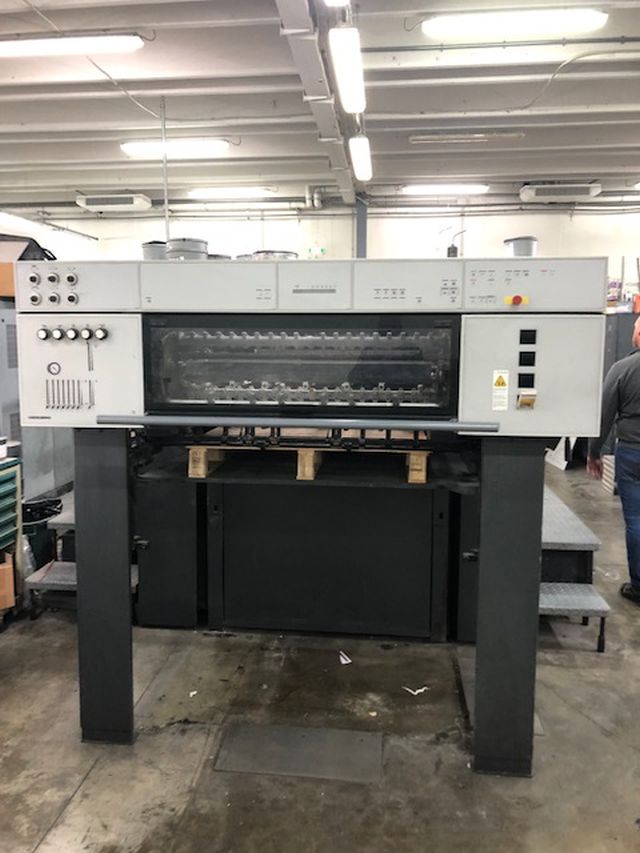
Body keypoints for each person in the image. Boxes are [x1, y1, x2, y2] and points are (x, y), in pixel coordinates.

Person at [588, 315, 640, 604]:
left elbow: (604, 415)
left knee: (636, 519)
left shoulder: (622, 368)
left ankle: (639, 585)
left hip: (632, 451)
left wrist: (594, 452)